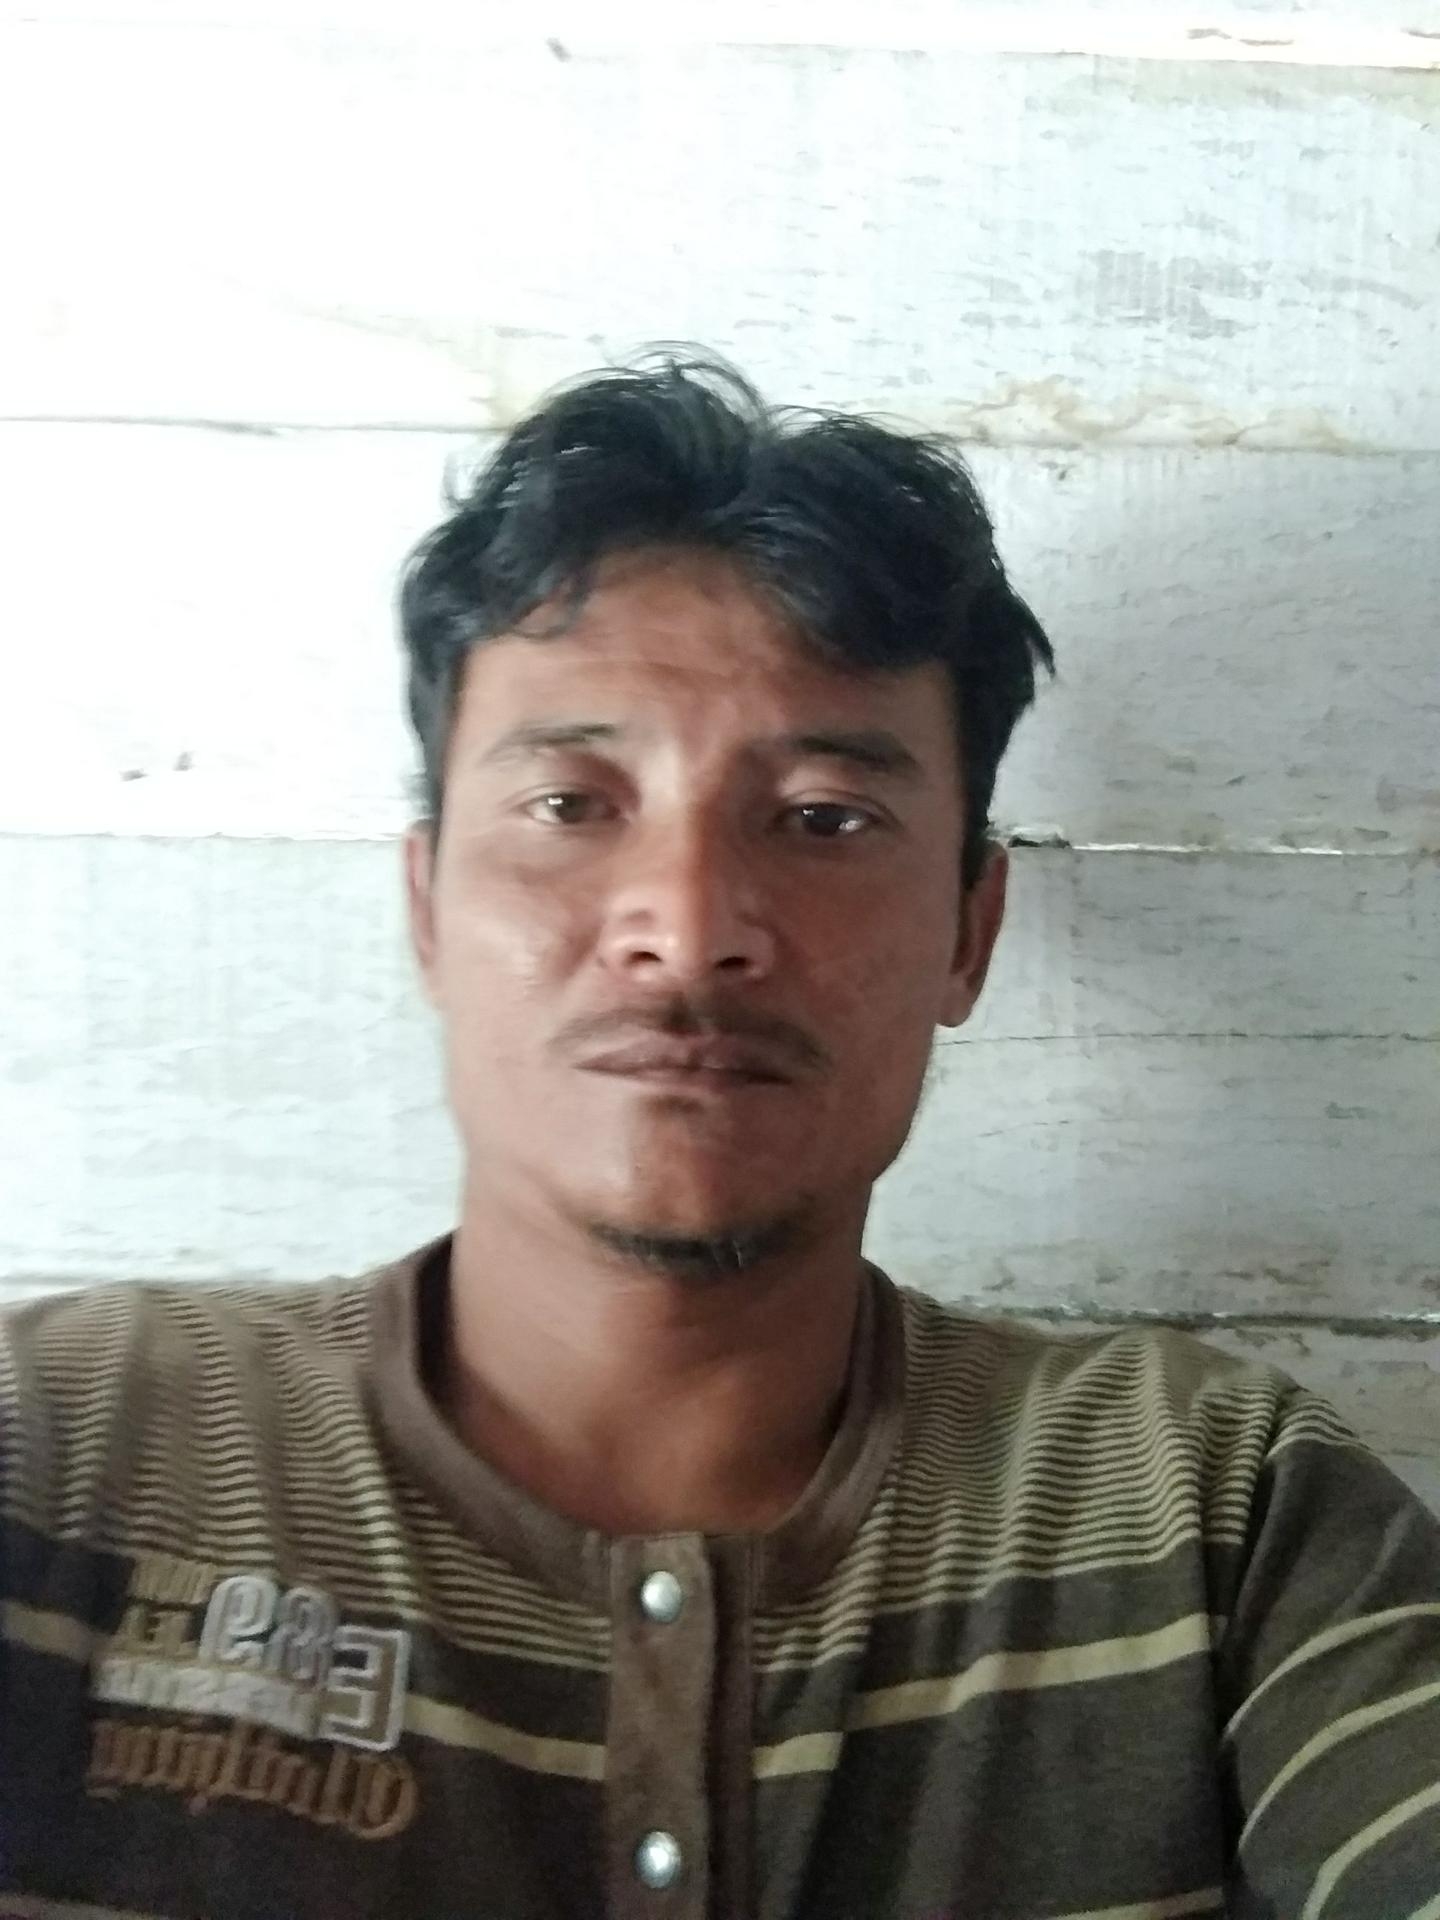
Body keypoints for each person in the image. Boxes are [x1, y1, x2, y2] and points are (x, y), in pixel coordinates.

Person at [1, 355, 1436, 1920]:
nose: (687, 931)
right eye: (572, 805)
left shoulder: (1211, 1511)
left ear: (970, 930)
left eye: (824, 817)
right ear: (426, 907)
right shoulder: (61, 1450)